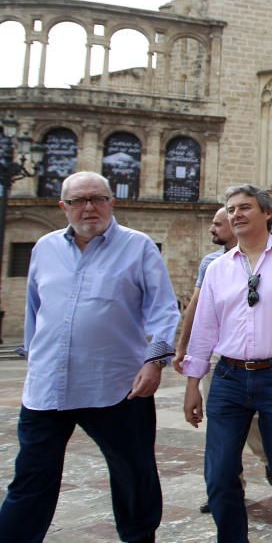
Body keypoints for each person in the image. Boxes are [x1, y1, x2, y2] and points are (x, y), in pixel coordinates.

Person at [0, 171, 179, 543]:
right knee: (31, 478)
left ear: (111, 202)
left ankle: (139, 538)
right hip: (49, 387)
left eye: (97, 198)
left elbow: (163, 310)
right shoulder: (44, 248)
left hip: (115, 386)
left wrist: (154, 360)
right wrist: (35, 356)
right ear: (63, 206)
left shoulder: (139, 246)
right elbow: (36, 310)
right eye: (79, 200)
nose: (89, 207)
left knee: (133, 474)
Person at [181, 184, 272, 539]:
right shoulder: (218, 268)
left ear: (267, 213)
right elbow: (204, 328)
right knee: (219, 474)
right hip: (230, 377)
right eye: (231, 209)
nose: (236, 214)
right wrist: (192, 384)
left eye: (245, 207)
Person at [174, 206, 272, 514]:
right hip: (218, 355)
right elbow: (196, 306)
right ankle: (224, 489)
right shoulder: (211, 263)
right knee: (219, 427)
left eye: (218, 224)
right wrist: (184, 346)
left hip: (256, 356)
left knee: (253, 420)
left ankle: (271, 458)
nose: (212, 229)